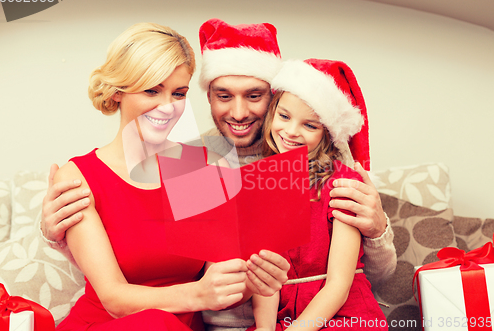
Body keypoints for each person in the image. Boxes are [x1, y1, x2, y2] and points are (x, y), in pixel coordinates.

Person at [41, 19, 396, 330]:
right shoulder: (200, 159)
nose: (239, 111)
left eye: (254, 95)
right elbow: (124, 275)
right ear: (209, 97)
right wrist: (61, 237)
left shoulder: (318, 165)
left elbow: (369, 276)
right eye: (224, 95)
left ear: (275, 98)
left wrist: (377, 229)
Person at [52, 22, 289, 331]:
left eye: (178, 93)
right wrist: (199, 294)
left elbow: (221, 285)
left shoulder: (203, 168)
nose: (167, 107)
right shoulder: (80, 176)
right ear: (118, 91)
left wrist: (256, 280)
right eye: (152, 90)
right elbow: (114, 298)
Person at [248, 58, 388, 331]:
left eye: (309, 126)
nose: (290, 132)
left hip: (343, 314)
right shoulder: (259, 183)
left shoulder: (343, 184)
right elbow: (266, 279)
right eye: (284, 116)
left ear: (327, 134)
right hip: (283, 316)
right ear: (272, 113)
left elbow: (339, 284)